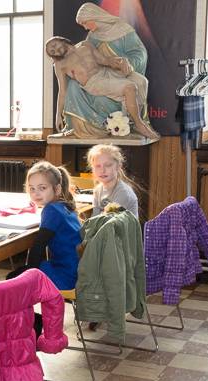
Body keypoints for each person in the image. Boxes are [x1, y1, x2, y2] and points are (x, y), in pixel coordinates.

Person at [60, 3, 151, 138]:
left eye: (85, 23)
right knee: (75, 85)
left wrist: (128, 64)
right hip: (100, 76)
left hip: (121, 73)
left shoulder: (123, 30)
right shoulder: (92, 36)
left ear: (94, 17)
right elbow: (84, 59)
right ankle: (81, 127)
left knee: (141, 82)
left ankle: (132, 122)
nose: (85, 27)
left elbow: (140, 53)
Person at [47, 36, 159, 140]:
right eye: (52, 51)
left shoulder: (85, 44)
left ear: (61, 40)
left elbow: (104, 60)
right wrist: (58, 115)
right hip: (94, 82)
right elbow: (62, 91)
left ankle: (131, 122)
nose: (55, 50)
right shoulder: (59, 65)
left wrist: (119, 62)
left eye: (54, 45)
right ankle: (139, 124)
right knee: (129, 87)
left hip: (106, 72)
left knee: (141, 81)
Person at [8, 161, 82, 292]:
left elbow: (38, 246)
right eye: (32, 188)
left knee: (12, 278)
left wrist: (29, 275)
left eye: (42, 188)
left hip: (65, 277)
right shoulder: (65, 206)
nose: (36, 193)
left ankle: (28, 306)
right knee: (24, 271)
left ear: (57, 189)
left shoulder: (51, 210)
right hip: (76, 272)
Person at [87, 143, 141, 219]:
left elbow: (111, 223)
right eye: (97, 166)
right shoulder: (98, 190)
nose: (102, 170)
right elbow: (94, 218)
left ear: (118, 167)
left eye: (108, 165)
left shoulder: (123, 193)